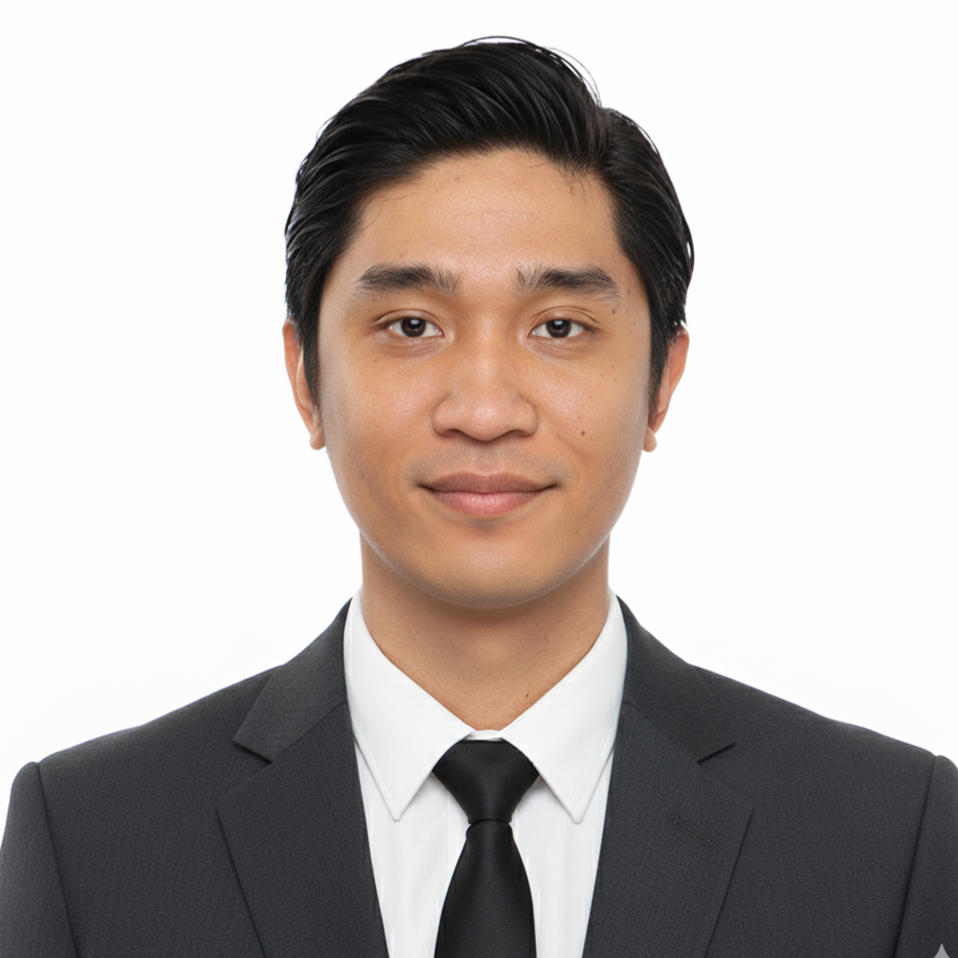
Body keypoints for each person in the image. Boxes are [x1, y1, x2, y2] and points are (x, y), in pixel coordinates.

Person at [0, 37, 955, 958]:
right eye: (412, 325)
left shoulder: (885, 838)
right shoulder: (91, 843)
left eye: (560, 326)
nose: (486, 411)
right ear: (306, 379)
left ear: (661, 382)